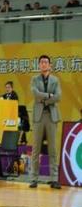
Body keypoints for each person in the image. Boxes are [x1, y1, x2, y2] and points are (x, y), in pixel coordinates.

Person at [29, 55, 62, 190]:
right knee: (36, 149)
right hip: (39, 116)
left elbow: (58, 96)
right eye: (41, 62)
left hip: (51, 116)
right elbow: (35, 93)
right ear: (39, 65)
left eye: (46, 62)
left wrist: (44, 100)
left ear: (50, 65)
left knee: (52, 149)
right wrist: (49, 96)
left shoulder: (55, 80)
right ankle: (34, 179)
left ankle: (54, 179)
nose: (43, 64)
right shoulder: (34, 79)